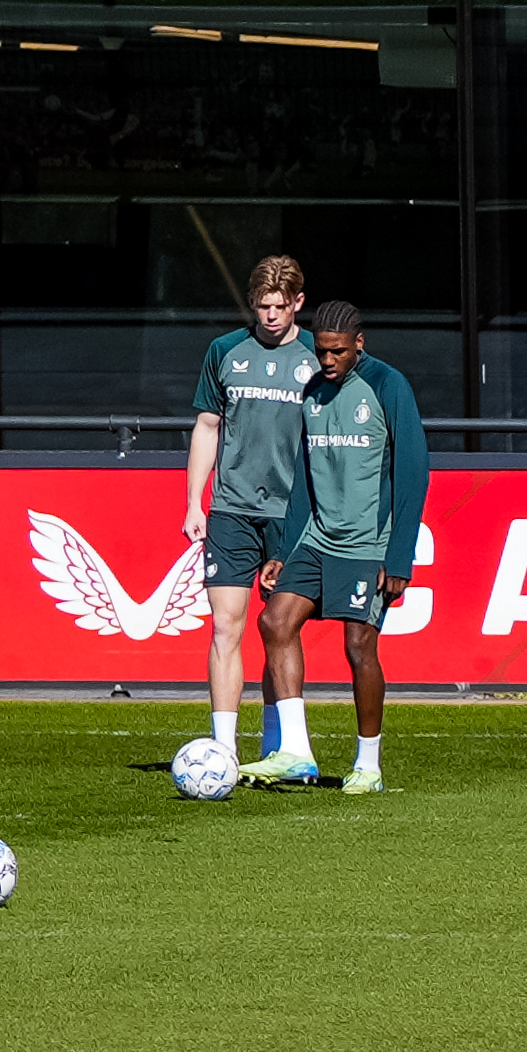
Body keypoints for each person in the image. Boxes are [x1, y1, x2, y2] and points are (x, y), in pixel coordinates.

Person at [271, 296, 434, 794]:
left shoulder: (388, 386)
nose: (327, 360)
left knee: (358, 646)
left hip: (369, 543)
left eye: (338, 351)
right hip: (318, 539)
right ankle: (297, 752)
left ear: (358, 344)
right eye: (321, 351)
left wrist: (399, 553)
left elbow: (412, 471)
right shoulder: (312, 392)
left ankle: (369, 764)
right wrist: (282, 547)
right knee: (274, 621)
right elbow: (304, 476)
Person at [188, 253, 326, 784]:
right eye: (262, 306)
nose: (271, 316)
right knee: (226, 626)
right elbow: (206, 425)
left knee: (279, 629)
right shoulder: (225, 351)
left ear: (298, 303)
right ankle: (223, 752)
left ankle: (279, 744)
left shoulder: (320, 354)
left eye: (280, 306)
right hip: (230, 509)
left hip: (292, 515)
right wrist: (193, 501)